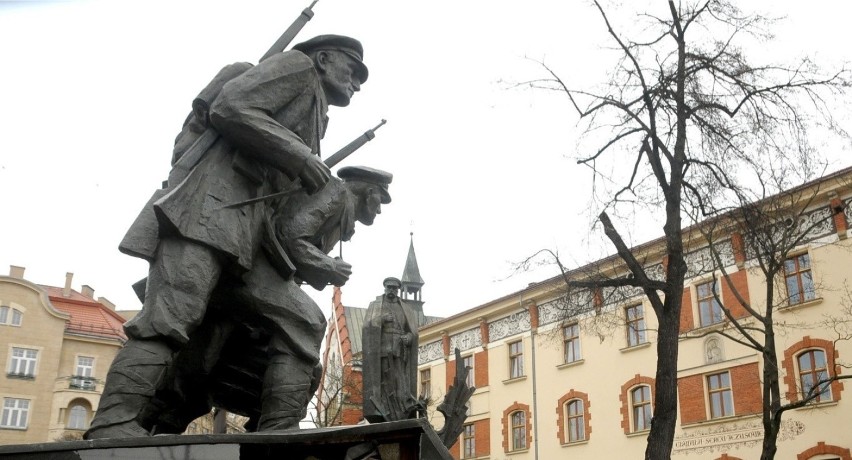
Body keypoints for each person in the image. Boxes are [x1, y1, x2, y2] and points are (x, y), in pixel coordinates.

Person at [86, 34, 370, 439]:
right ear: (324, 59)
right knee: (169, 320)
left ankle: (276, 433)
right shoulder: (298, 67)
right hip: (208, 213)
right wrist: (300, 156)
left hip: (244, 236)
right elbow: (232, 105)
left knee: (303, 318)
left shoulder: (317, 107)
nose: (357, 82)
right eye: (352, 69)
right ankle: (113, 423)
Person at [362, 277, 420, 423]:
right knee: (384, 380)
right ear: (385, 288)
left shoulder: (405, 308)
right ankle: (383, 407)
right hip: (382, 350)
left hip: (400, 350)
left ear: (398, 290)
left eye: (394, 288)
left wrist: (409, 337)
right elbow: (367, 326)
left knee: (400, 381)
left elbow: (413, 331)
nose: (392, 291)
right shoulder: (375, 305)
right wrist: (380, 319)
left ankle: (401, 406)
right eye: (389, 288)